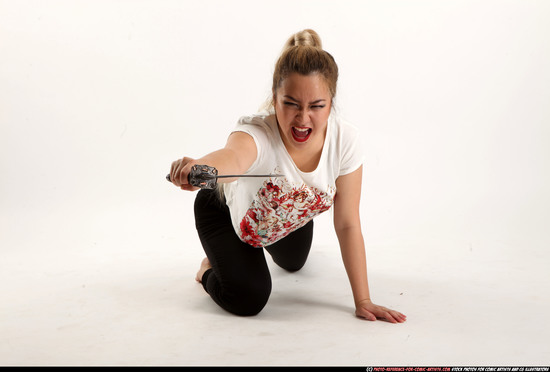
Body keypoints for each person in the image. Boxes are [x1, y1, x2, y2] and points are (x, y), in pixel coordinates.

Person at [169, 29, 406, 323]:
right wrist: (200, 170)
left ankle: (260, 245)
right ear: (275, 98)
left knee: (294, 263)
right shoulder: (257, 134)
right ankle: (208, 268)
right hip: (224, 210)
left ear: (331, 102)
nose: (303, 118)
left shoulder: (345, 140)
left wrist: (363, 300)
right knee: (248, 298)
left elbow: (347, 224)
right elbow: (233, 158)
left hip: (282, 218)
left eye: (316, 106)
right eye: (291, 103)